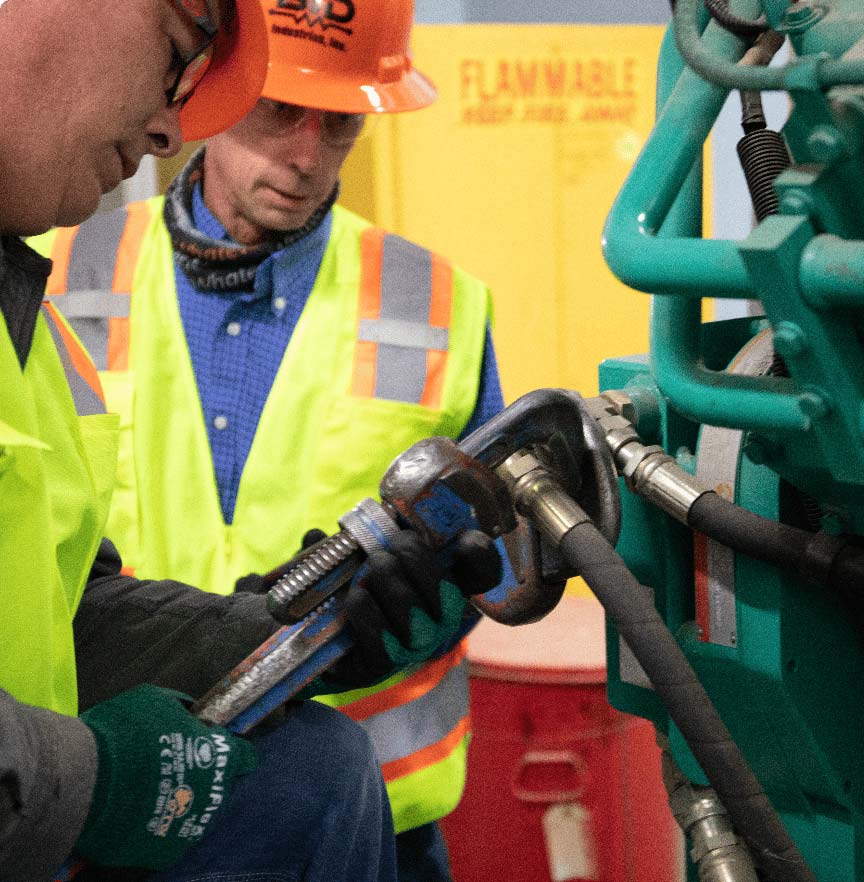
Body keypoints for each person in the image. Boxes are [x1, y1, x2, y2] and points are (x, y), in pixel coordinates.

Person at [1, 0, 500, 880]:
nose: (305, 157)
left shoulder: (435, 301)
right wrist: (86, 777)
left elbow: (56, 603)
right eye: (275, 110)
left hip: (346, 803)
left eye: (340, 124)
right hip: (105, 811)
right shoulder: (72, 270)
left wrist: (282, 629)